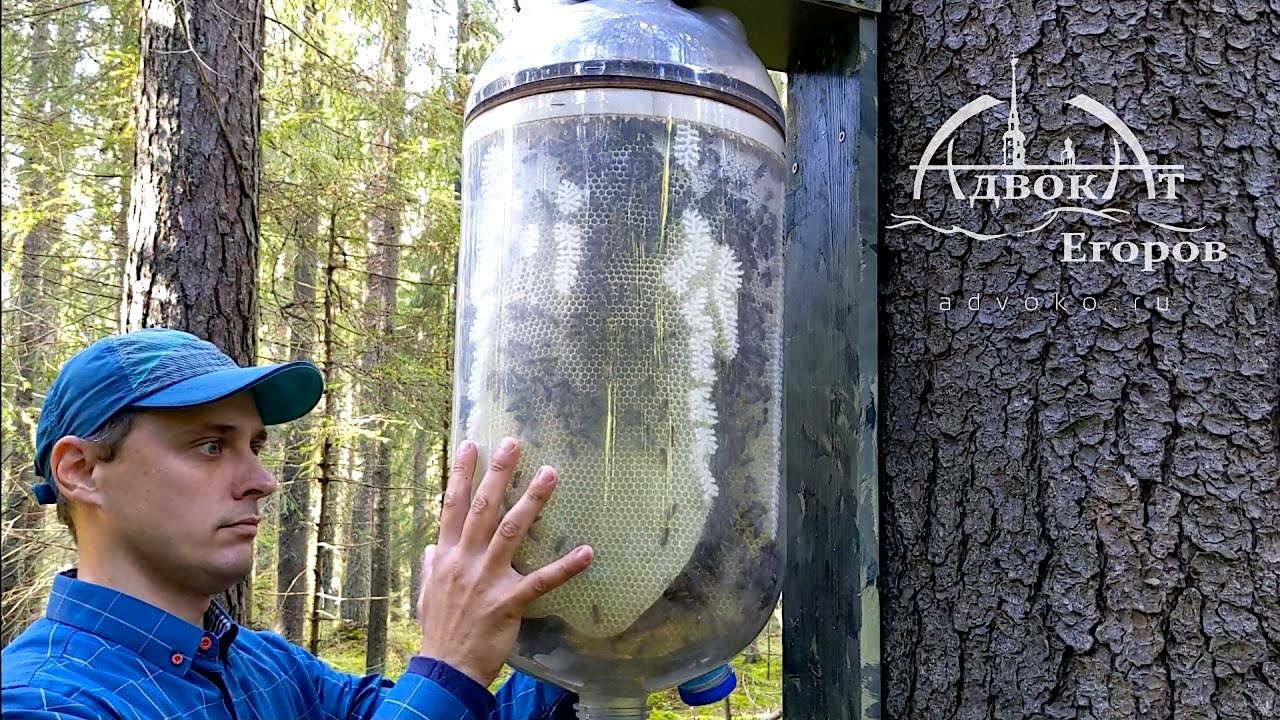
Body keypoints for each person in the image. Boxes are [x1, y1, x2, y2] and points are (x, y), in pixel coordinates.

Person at [0, 327, 593, 719]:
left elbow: (452, 709)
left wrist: (595, 651)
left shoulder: (267, 668)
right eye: (210, 446)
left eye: (255, 445)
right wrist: (450, 661)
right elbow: (439, 693)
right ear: (80, 470)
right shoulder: (45, 700)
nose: (262, 479)